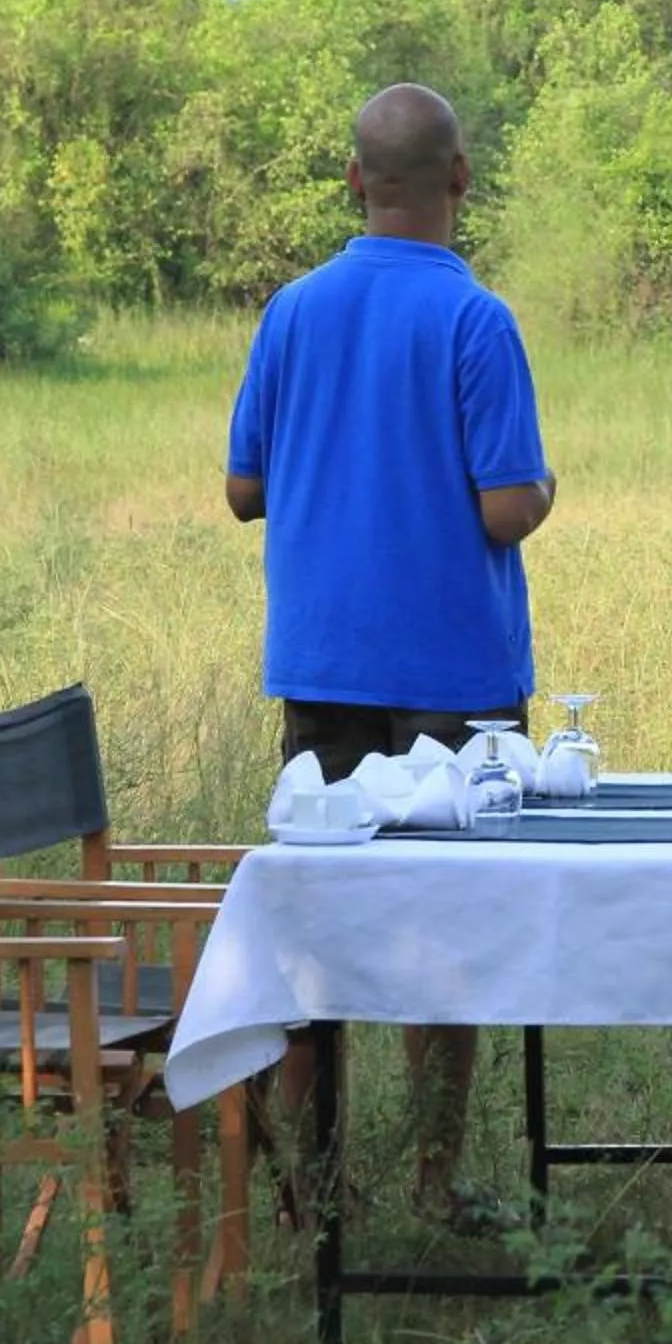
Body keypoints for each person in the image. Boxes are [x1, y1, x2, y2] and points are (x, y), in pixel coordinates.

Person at [226, 81, 556, 1227]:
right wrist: (545, 489)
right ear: (461, 177)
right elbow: (505, 506)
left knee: (319, 922)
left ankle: (313, 1188)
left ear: (354, 179)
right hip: (455, 679)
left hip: (322, 667)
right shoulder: (476, 318)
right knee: (445, 932)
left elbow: (244, 487)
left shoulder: (292, 311)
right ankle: (434, 1175)